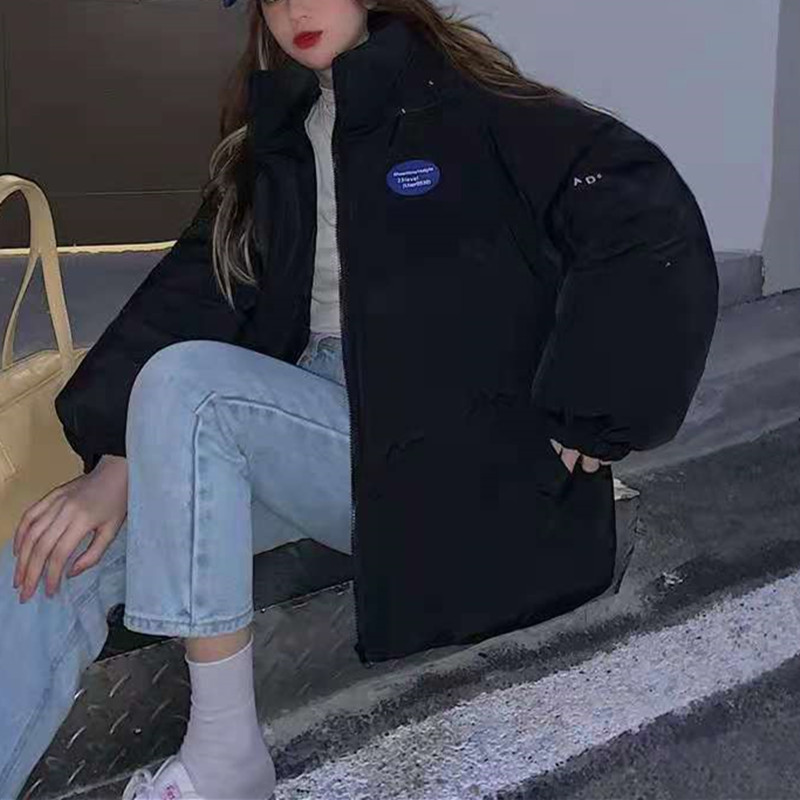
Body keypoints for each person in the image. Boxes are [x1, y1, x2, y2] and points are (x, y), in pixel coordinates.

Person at [0, 0, 720, 798]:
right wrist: (116, 464)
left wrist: (599, 400)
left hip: (447, 442)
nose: (295, 8)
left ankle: (225, 756)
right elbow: (190, 300)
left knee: (190, 387)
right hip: (304, 428)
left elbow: (639, 207)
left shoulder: (471, 107)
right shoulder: (275, 140)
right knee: (45, 563)